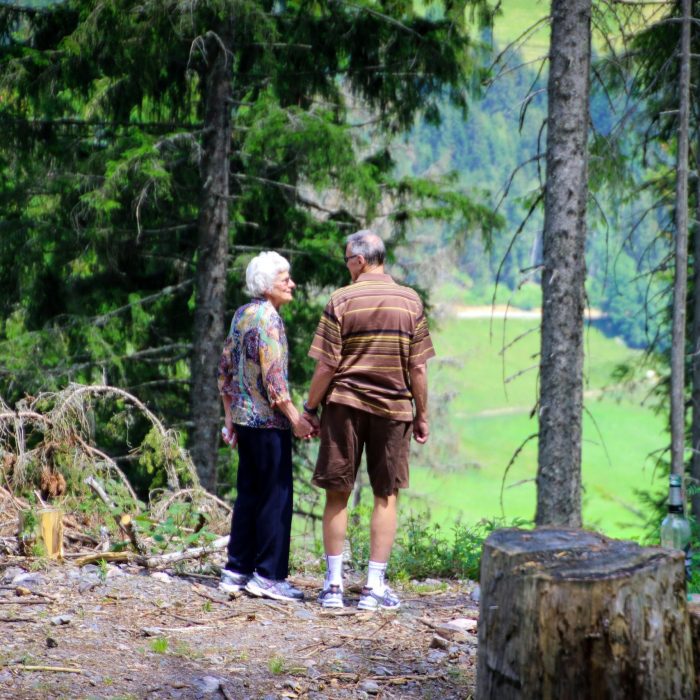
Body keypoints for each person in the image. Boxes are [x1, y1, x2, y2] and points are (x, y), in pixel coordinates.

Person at [302, 230, 434, 610]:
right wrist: (422, 415)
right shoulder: (410, 301)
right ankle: (374, 588)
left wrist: (310, 410)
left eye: (347, 260)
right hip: (393, 410)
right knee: (386, 495)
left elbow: (327, 365)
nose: (347, 267)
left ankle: (333, 586)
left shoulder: (341, 299)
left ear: (359, 261)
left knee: (337, 494)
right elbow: (419, 367)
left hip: (343, 406)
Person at [217, 251, 314, 603]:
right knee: (275, 497)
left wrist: (229, 421)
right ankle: (269, 576)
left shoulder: (242, 314)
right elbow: (275, 384)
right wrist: (297, 420)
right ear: (267, 284)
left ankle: (236, 569)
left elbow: (224, 371)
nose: (292, 283)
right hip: (269, 423)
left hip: (244, 422)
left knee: (249, 495)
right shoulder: (270, 320)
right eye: (284, 277)